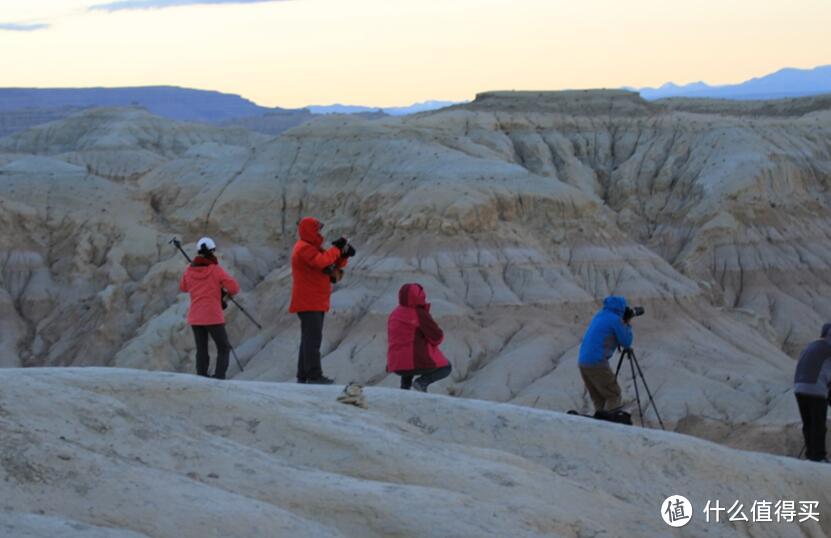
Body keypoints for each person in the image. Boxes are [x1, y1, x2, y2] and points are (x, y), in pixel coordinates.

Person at [289, 217, 354, 384]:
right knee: (313, 339)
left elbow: (330, 266)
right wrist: (336, 248)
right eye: (317, 230)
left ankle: (303, 375)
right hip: (309, 300)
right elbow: (322, 261)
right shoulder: (303, 248)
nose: (319, 233)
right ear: (310, 231)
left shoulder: (311, 248)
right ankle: (313, 375)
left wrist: (343, 254)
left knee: (308, 339)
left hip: (315, 300)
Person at [179, 236, 240, 379]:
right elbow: (234, 288)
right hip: (213, 315)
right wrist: (222, 294)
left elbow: (183, 287)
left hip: (196, 316)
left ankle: (201, 377)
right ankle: (219, 377)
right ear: (212, 251)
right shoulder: (215, 270)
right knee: (223, 347)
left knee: (201, 349)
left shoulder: (189, 270)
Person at [387, 283, 452, 392]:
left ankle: (405, 388)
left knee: (407, 358)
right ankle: (421, 382)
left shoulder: (394, 313)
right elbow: (437, 337)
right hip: (417, 362)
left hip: (396, 364)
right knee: (446, 367)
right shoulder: (419, 313)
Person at [578, 296, 634, 416]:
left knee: (600, 399)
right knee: (614, 394)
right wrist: (627, 323)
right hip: (596, 363)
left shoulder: (600, 315)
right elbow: (626, 341)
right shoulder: (615, 320)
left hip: (583, 363)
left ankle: (599, 425)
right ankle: (609, 424)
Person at [794, 323, 831, 463]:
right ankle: (819, 456)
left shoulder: (810, 346)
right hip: (815, 388)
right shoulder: (829, 347)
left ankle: (810, 455)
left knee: (808, 423)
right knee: (818, 424)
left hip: (799, 387)